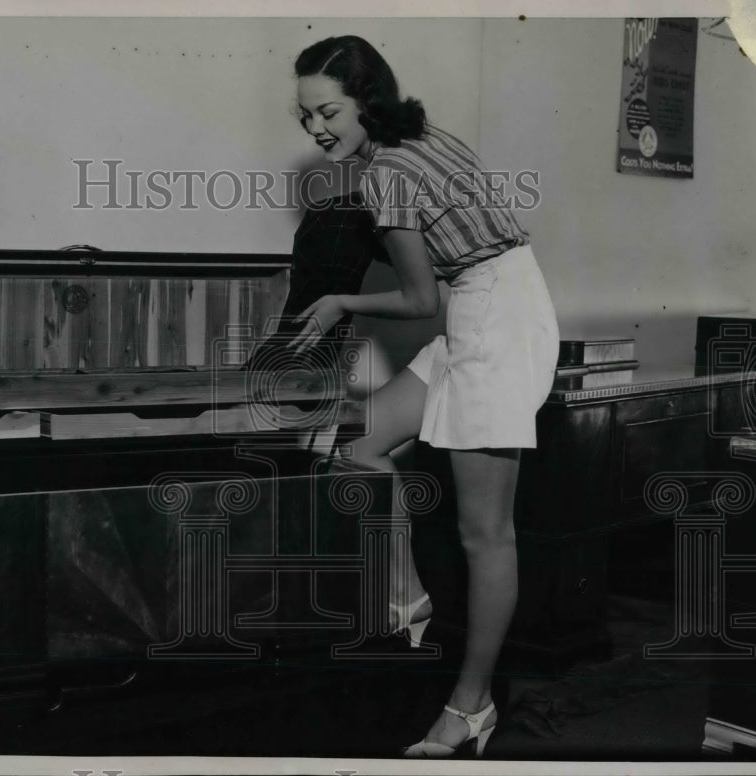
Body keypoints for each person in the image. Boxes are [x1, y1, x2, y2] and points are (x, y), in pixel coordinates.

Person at [287, 35, 560, 758]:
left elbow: (417, 298)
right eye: (306, 116)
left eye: (328, 111)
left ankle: (469, 706)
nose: (316, 129)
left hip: (496, 325)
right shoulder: (421, 138)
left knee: (485, 535)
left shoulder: (387, 177)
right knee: (362, 449)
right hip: (493, 306)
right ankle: (409, 595)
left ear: (364, 99)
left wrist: (342, 300)